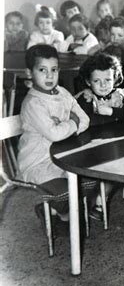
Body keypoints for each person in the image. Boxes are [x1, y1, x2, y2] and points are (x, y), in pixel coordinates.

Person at [16, 44, 89, 232]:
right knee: (69, 194)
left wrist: (63, 126)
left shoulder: (63, 93)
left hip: (62, 160)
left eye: (54, 70)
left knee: (91, 183)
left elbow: (85, 119)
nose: (49, 76)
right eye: (42, 70)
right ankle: (57, 212)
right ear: (29, 73)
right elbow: (55, 134)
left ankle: (58, 215)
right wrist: (71, 123)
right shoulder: (33, 103)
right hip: (38, 165)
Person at [76, 52, 124, 220]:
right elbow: (89, 120)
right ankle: (90, 200)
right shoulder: (86, 98)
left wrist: (110, 111)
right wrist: (112, 116)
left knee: (117, 166)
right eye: (97, 81)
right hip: (90, 146)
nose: (103, 85)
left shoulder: (118, 96)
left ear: (116, 79)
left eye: (108, 80)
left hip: (116, 144)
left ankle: (101, 200)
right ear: (88, 82)